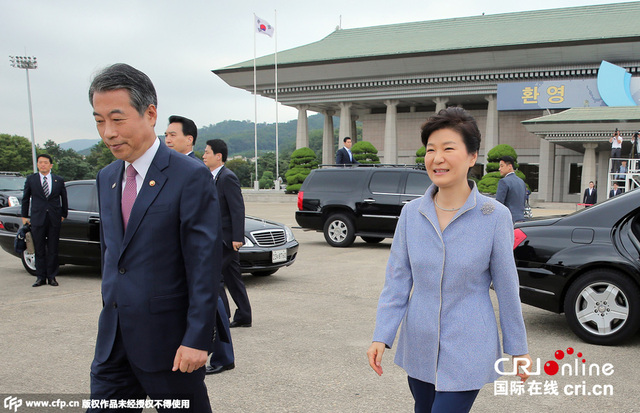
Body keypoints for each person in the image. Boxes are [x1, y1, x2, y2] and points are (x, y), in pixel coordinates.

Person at [367, 107, 531, 413]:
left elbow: (508, 287)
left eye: (448, 148)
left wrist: (517, 348)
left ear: (472, 157)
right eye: (430, 149)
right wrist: (382, 335)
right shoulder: (411, 214)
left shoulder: (495, 216)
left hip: (469, 343)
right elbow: (398, 282)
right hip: (420, 342)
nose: (437, 158)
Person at [87, 63, 222, 412]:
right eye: (99, 120)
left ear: (150, 114)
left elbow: (204, 266)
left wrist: (197, 338)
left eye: (117, 119)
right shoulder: (106, 177)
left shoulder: (189, 176)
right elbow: (113, 255)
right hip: (114, 344)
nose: (108, 132)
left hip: (171, 347)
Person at [165, 117, 234, 376]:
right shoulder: (173, 166)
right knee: (214, 300)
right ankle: (223, 354)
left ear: (189, 139)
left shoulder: (194, 169)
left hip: (199, 253)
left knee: (211, 300)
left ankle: (224, 354)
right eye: (166, 135)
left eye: (173, 135)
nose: (167, 140)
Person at [203, 139, 252, 331]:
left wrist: (237, 237)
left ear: (218, 156)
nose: (204, 155)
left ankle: (222, 317)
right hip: (220, 237)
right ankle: (244, 316)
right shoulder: (212, 176)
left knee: (212, 277)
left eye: (207, 152)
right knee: (233, 278)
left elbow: (237, 208)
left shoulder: (227, 177)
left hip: (227, 240)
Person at [21, 154, 68, 287]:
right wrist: (24, 216)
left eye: (45, 163)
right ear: (37, 165)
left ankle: (52, 276)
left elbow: (64, 198)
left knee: (53, 249)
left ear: (50, 165)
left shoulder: (58, 180)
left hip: (54, 219)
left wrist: (64, 213)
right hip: (37, 219)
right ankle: (40, 277)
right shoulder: (31, 180)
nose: (43, 165)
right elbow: (25, 199)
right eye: (40, 162)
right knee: (39, 249)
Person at [495, 155, 527, 223]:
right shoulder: (521, 182)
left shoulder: (503, 182)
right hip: (521, 219)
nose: (499, 169)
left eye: (502, 166)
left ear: (510, 166)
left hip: (508, 220)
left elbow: (499, 204)